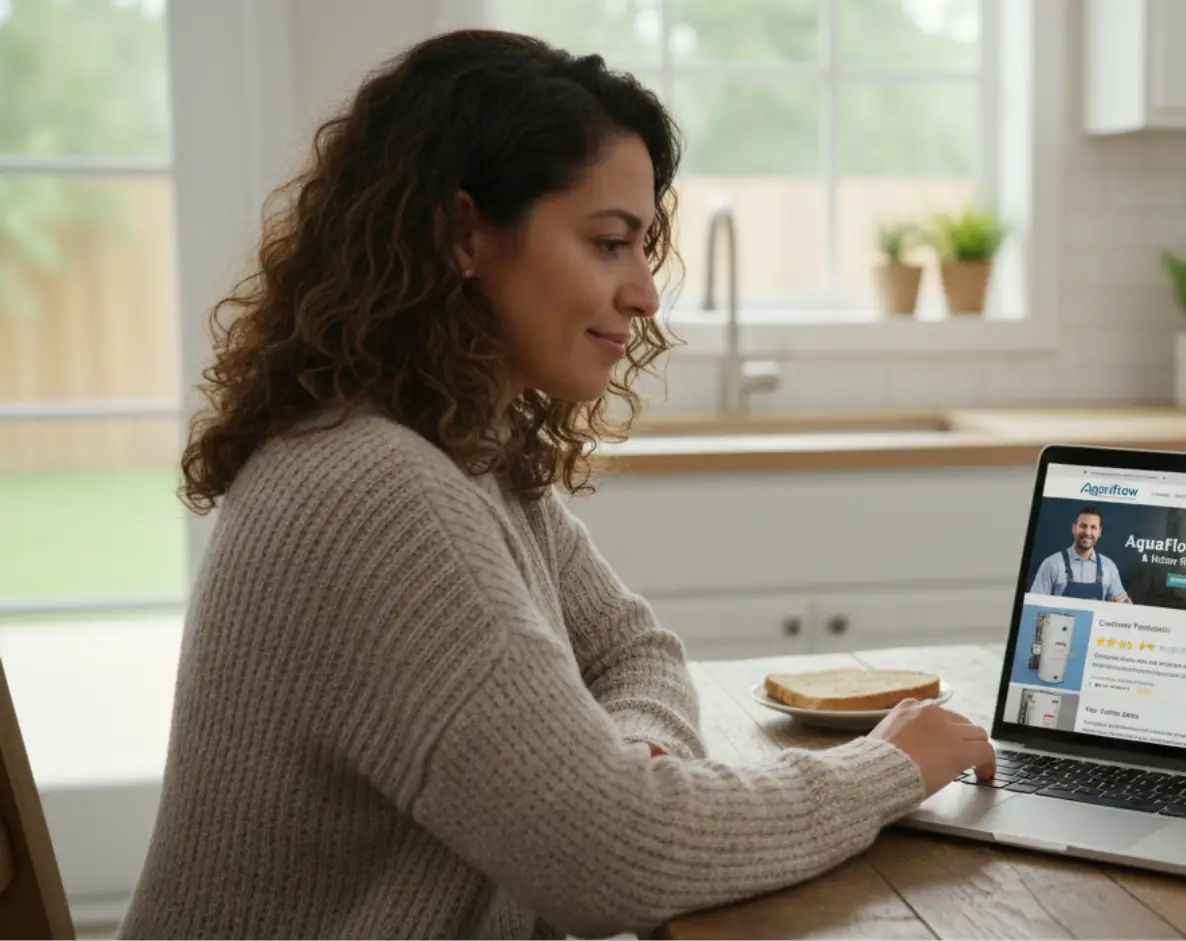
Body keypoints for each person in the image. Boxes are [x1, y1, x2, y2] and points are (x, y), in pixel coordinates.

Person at [119, 30, 994, 940]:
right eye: (610, 243)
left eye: (643, 245)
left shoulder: (461, 447)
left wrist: (626, 761)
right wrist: (885, 768)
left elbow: (634, 649)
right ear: (462, 233)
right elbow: (616, 860)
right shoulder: (374, 491)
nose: (647, 292)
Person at [1028, 505, 1131, 603]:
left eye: (1093, 527)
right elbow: (1034, 606)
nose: (1087, 532)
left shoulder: (1109, 567)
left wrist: (1120, 604)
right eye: (1083, 526)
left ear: (1099, 532)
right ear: (1074, 528)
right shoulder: (1052, 564)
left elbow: (1126, 605)